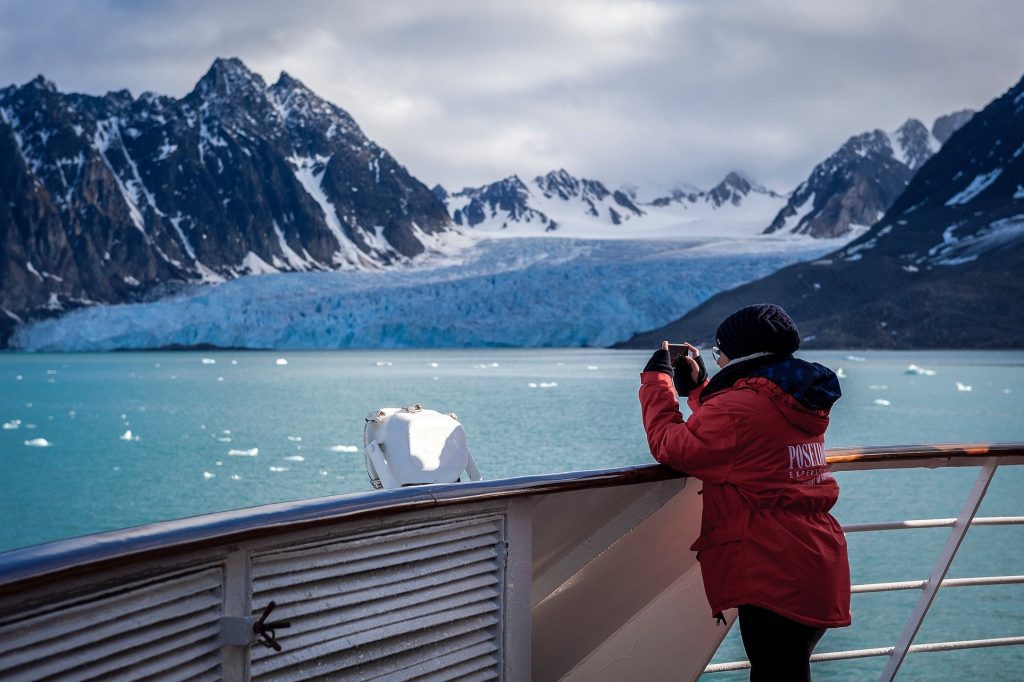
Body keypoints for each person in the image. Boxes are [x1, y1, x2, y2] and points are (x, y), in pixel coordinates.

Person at [638, 303, 850, 681]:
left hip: (773, 565)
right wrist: (701, 388)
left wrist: (658, 383)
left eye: (719, 352)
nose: (718, 359)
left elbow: (672, 446)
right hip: (812, 556)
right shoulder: (797, 397)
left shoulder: (741, 409)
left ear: (742, 353)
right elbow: (744, 428)